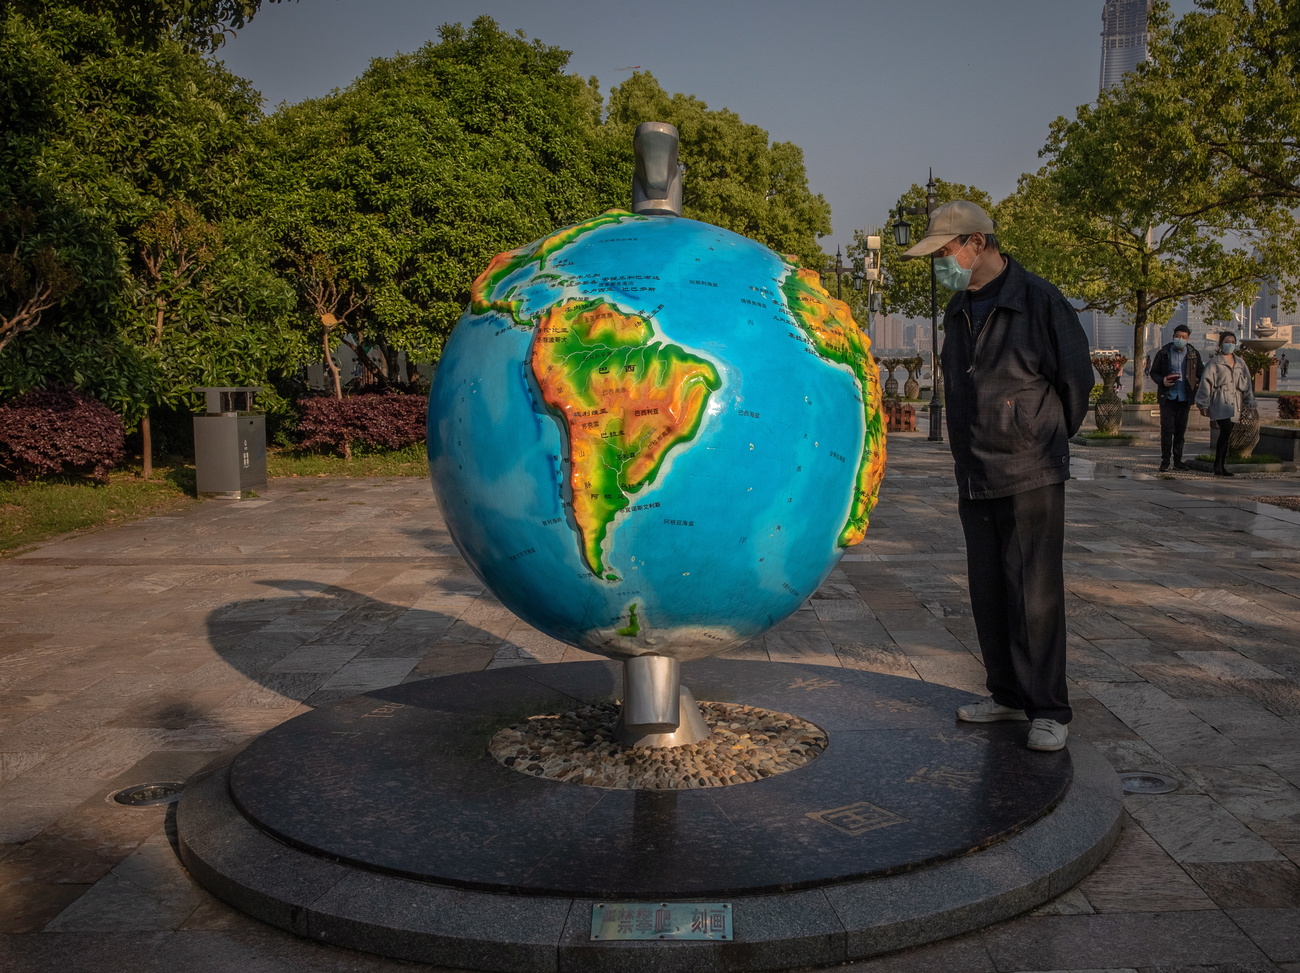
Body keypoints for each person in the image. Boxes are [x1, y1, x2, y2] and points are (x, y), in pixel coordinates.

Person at [903, 200, 1093, 753]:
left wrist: (1042, 434)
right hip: (975, 468)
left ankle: (1049, 708)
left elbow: (1075, 380)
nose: (941, 263)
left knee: (1034, 592)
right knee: (988, 589)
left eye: (944, 252)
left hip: (1031, 468)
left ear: (977, 243)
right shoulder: (959, 307)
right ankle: (1007, 694)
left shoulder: (1038, 300)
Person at [1196, 330, 1256, 477]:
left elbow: (1247, 383)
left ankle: (1221, 465)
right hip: (1220, 402)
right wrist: (1202, 404)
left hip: (1235, 403)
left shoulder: (1241, 363)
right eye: (1227, 341)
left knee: (1227, 434)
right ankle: (1218, 465)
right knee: (1226, 429)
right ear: (1221, 344)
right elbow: (1206, 383)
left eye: (1232, 342)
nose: (1230, 344)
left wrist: (1250, 401)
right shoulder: (1214, 363)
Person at [1147, 324, 1204, 471]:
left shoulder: (1193, 354)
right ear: (1173, 337)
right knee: (1167, 430)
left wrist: (1197, 384)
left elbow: (1201, 373)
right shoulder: (1164, 352)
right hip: (1168, 397)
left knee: (1180, 431)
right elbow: (1154, 372)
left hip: (1184, 398)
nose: (1180, 339)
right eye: (1178, 336)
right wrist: (1163, 381)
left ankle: (1178, 461)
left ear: (1188, 338)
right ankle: (1165, 461)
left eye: (1183, 337)